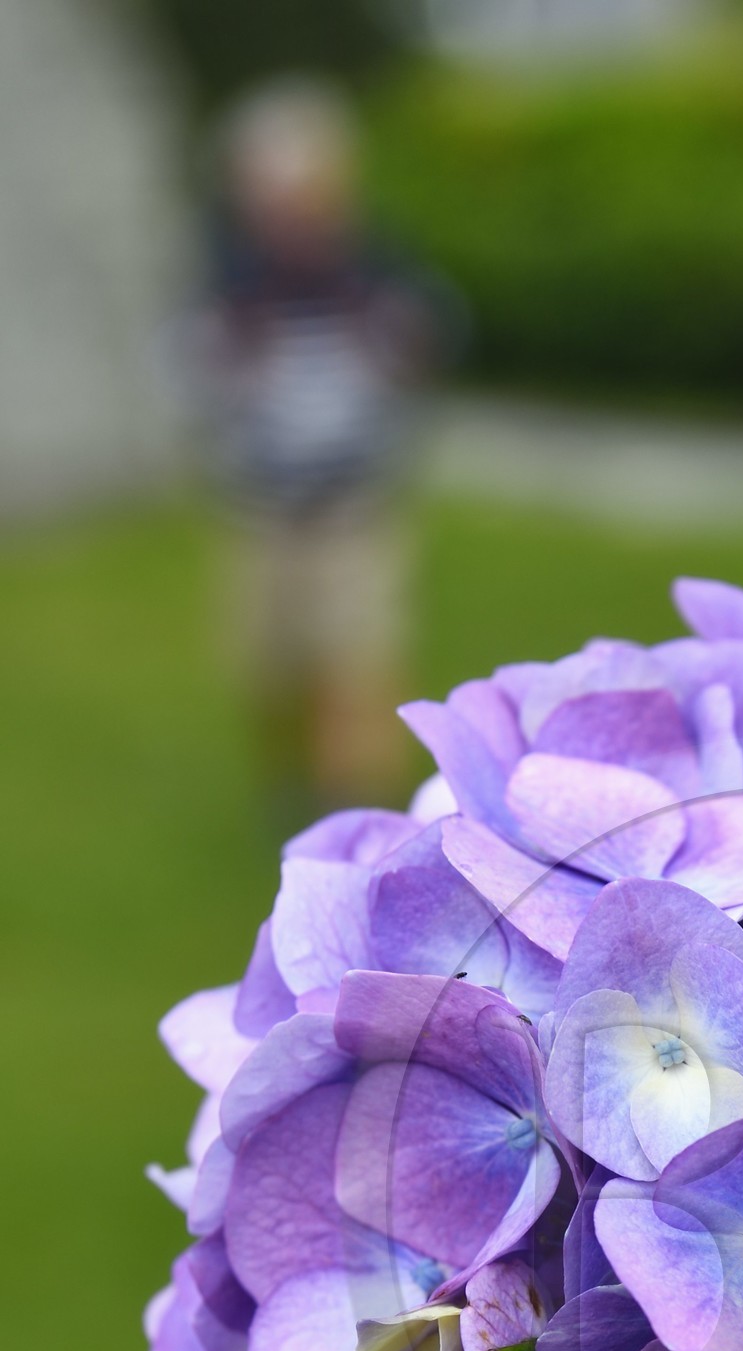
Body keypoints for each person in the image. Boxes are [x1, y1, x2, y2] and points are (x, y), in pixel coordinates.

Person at [195, 81, 449, 825]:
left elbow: (426, 338)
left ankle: (354, 814)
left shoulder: (372, 269)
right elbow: (196, 367)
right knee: (270, 662)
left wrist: (396, 343)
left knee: (357, 656)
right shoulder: (234, 283)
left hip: (352, 503)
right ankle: (291, 782)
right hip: (265, 504)